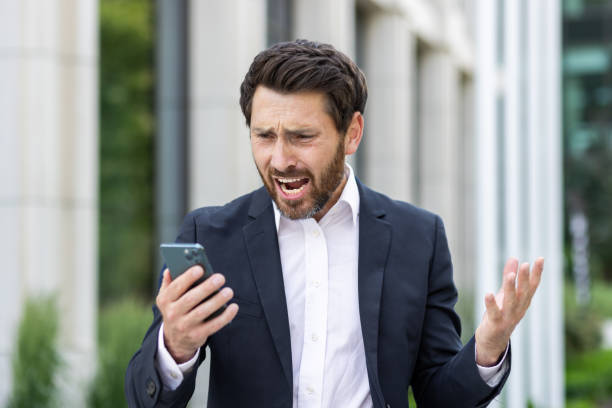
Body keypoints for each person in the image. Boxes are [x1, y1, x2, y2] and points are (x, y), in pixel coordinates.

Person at [125, 39, 543, 408]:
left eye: (302, 137)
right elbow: (145, 397)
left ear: (352, 133)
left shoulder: (419, 238)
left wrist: (488, 347)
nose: (280, 159)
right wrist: (175, 347)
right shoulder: (212, 235)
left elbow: (439, 395)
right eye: (264, 135)